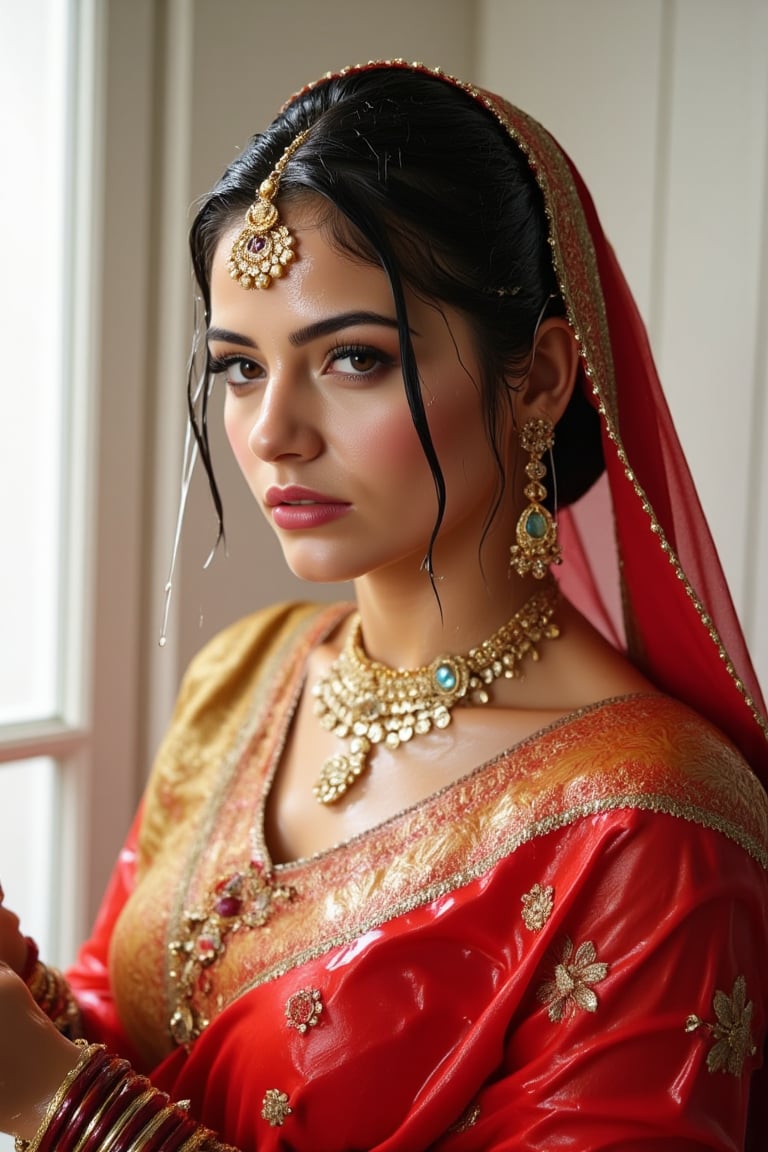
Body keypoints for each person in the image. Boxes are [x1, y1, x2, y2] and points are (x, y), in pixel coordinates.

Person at [1, 59, 766, 1152]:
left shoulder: (649, 828)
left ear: (540, 377)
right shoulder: (252, 673)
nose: (272, 434)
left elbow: (83, 1095)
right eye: (239, 368)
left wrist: (56, 1106)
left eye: (352, 358)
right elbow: (130, 1039)